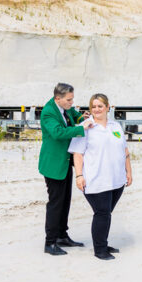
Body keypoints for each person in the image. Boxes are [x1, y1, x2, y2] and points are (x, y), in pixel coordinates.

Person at [69, 94, 132, 260]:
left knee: (106, 213)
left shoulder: (115, 126)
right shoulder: (86, 127)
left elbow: (124, 151)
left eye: (100, 106)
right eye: (93, 106)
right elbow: (78, 154)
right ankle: (100, 249)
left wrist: (129, 172)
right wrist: (79, 176)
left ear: (107, 107)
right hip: (95, 179)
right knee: (102, 213)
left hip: (117, 179)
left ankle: (102, 242)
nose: (97, 109)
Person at [38, 82, 89, 256]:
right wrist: (81, 128)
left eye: (72, 99)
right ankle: (50, 242)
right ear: (57, 98)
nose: (71, 103)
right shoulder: (48, 112)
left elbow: (76, 115)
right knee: (55, 203)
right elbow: (58, 133)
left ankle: (62, 235)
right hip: (53, 164)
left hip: (65, 161)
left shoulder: (65, 107)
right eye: (69, 100)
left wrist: (83, 118)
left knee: (65, 200)